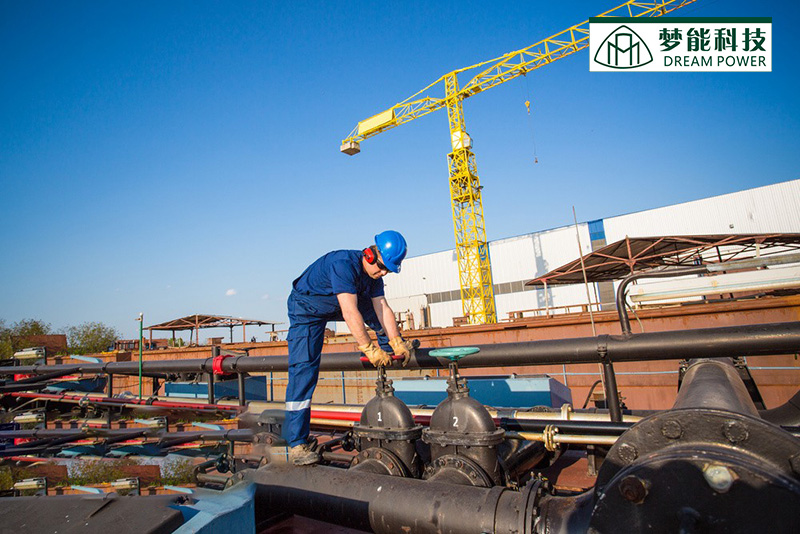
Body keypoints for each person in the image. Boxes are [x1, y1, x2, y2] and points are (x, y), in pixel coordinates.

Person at [284, 230, 415, 465]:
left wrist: (396, 341)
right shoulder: (343, 265)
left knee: (374, 311)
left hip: (334, 302)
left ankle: (390, 349)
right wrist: (368, 348)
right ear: (370, 255)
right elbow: (349, 311)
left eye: (387, 270)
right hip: (307, 308)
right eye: (382, 268)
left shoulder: (374, 276)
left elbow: (382, 307)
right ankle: (297, 444)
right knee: (304, 369)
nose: (383, 273)